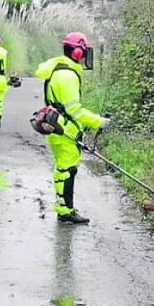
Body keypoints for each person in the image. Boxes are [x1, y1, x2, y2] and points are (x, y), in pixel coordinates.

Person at [34, 32, 109, 224]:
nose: (84, 56)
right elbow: (75, 111)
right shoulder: (68, 76)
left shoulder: (58, 70)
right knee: (68, 170)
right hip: (64, 129)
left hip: (56, 126)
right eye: (83, 52)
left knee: (62, 169)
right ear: (76, 52)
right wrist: (98, 121)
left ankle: (63, 208)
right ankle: (66, 212)